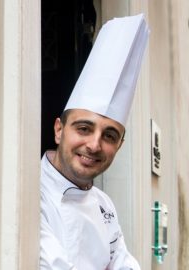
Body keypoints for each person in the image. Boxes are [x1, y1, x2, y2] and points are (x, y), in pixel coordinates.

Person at [40, 14, 150, 269]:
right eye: (84, 128)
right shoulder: (31, 192)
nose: (94, 145)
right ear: (59, 130)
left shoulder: (103, 204)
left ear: (119, 145)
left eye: (109, 135)